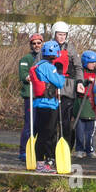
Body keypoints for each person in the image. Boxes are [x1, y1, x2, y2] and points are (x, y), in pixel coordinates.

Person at [29, 39, 67, 171]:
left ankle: (45, 161)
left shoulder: (39, 64)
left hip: (40, 104)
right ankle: (41, 164)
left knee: (43, 134)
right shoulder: (49, 67)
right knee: (46, 135)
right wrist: (61, 74)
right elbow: (59, 83)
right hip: (48, 105)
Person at [52, 21, 83, 152]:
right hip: (52, 89)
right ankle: (51, 152)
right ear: (54, 34)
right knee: (52, 123)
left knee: (65, 122)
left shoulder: (70, 48)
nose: (62, 37)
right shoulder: (48, 47)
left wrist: (80, 82)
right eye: (59, 34)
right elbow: (38, 64)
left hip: (68, 89)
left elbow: (78, 67)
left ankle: (65, 150)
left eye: (64, 35)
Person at [17, 32, 44, 163]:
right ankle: (23, 151)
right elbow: (23, 75)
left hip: (42, 95)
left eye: (39, 43)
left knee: (40, 124)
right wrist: (31, 77)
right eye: (34, 43)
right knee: (29, 124)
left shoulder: (47, 58)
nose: (36, 45)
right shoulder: (26, 59)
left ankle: (37, 150)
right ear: (31, 45)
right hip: (30, 95)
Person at [74, 50, 96, 158]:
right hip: (81, 103)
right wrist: (85, 82)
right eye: (91, 62)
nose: (94, 64)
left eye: (95, 62)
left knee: (90, 132)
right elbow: (77, 85)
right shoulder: (80, 73)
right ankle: (79, 149)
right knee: (79, 130)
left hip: (92, 105)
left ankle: (90, 149)